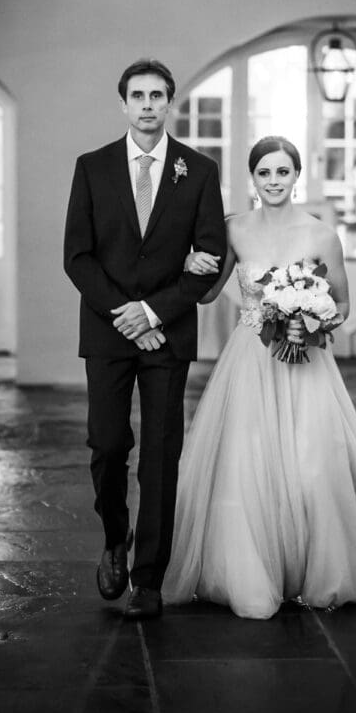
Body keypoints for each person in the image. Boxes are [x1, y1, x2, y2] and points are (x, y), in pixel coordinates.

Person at [162, 135, 356, 619]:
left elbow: (342, 304)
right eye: (264, 173)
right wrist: (188, 262)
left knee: (312, 463)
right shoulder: (234, 229)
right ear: (252, 179)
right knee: (247, 462)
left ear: (296, 175)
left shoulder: (321, 235)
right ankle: (251, 572)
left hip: (307, 365)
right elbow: (208, 294)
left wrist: (313, 319)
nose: (274, 181)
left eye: (283, 172)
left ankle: (319, 571)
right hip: (251, 359)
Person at [64, 58, 227, 620]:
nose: (149, 104)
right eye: (138, 95)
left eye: (158, 95)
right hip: (109, 334)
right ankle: (116, 536)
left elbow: (207, 262)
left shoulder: (199, 171)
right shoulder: (92, 167)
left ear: (170, 102)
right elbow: (77, 257)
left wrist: (153, 312)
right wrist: (123, 313)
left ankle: (150, 578)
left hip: (168, 335)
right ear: (124, 104)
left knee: (161, 455)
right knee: (108, 445)